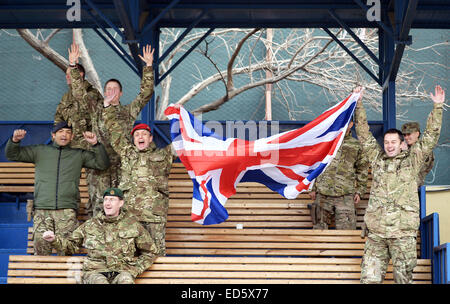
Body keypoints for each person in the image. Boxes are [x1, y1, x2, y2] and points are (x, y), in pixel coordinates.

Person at [354, 85, 444, 284]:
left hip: (402, 235)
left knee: (403, 281)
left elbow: (430, 138)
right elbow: (363, 134)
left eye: (393, 142)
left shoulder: (412, 161)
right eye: (386, 142)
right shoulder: (377, 159)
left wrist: (437, 107)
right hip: (376, 234)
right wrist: (358, 103)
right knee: (368, 280)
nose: (389, 145)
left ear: (401, 142)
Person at [68, 43, 155, 217]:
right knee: (98, 204)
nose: (111, 92)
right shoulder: (96, 108)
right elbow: (78, 92)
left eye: (115, 89)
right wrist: (72, 66)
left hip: (122, 167)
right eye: (108, 89)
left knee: (123, 205)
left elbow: (146, 94)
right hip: (99, 167)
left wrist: (149, 67)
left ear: (121, 93)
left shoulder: (127, 111)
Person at [5, 122, 110, 255]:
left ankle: (65, 277)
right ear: (53, 135)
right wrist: (15, 140)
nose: (64, 135)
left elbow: (102, 164)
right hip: (42, 210)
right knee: (41, 252)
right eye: (60, 132)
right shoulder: (39, 151)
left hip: (66, 210)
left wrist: (95, 144)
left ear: (72, 137)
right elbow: (12, 155)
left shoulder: (78, 154)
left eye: (68, 132)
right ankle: (41, 276)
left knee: (65, 251)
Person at [42, 187, 158, 284]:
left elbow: (151, 251)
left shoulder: (132, 225)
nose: (107, 203)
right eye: (106, 200)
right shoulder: (91, 225)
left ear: (121, 203)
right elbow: (70, 246)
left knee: (126, 280)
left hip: (122, 271)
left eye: (112, 200)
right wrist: (54, 240)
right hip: (95, 271)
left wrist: (135, 268)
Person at [102, 117, 176, 256]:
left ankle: (159, 279)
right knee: (130, 254)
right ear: (133, 139)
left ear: (150, 138)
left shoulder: (164, 155)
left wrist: (181, 117)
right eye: (136, 135)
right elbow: (113, 129)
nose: (140, 137)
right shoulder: (126, 153)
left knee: (156, 253)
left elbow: (183, 141)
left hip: (154, 216)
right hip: (130, 216)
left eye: (144, 134)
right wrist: (108, 107)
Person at [309, 118, 369, 230]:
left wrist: (360, 191)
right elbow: (315, 165)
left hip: (345, 195)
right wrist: (312, 188)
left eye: (345, 121)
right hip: (323, 193)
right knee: (319, 230)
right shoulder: (325, 142)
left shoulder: (356, 145)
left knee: (347, 231)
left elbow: (362, 169)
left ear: (351, 124)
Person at [54, 62, 103, 150]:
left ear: (80, 74)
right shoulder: (66, 97)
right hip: (70, 147)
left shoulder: (92, 94)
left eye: (69, 74)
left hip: (89, 147)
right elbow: (59, 118)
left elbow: (82, 99)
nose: (67, 77)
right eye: (66, 75)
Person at [401, 121, 435, 186]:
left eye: (408, 134)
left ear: (417, 134)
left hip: (414, 186)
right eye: (404, 135)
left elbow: (415, 168)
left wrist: (404, 152)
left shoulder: (423, 148)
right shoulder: (407, 148)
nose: (406, 137)